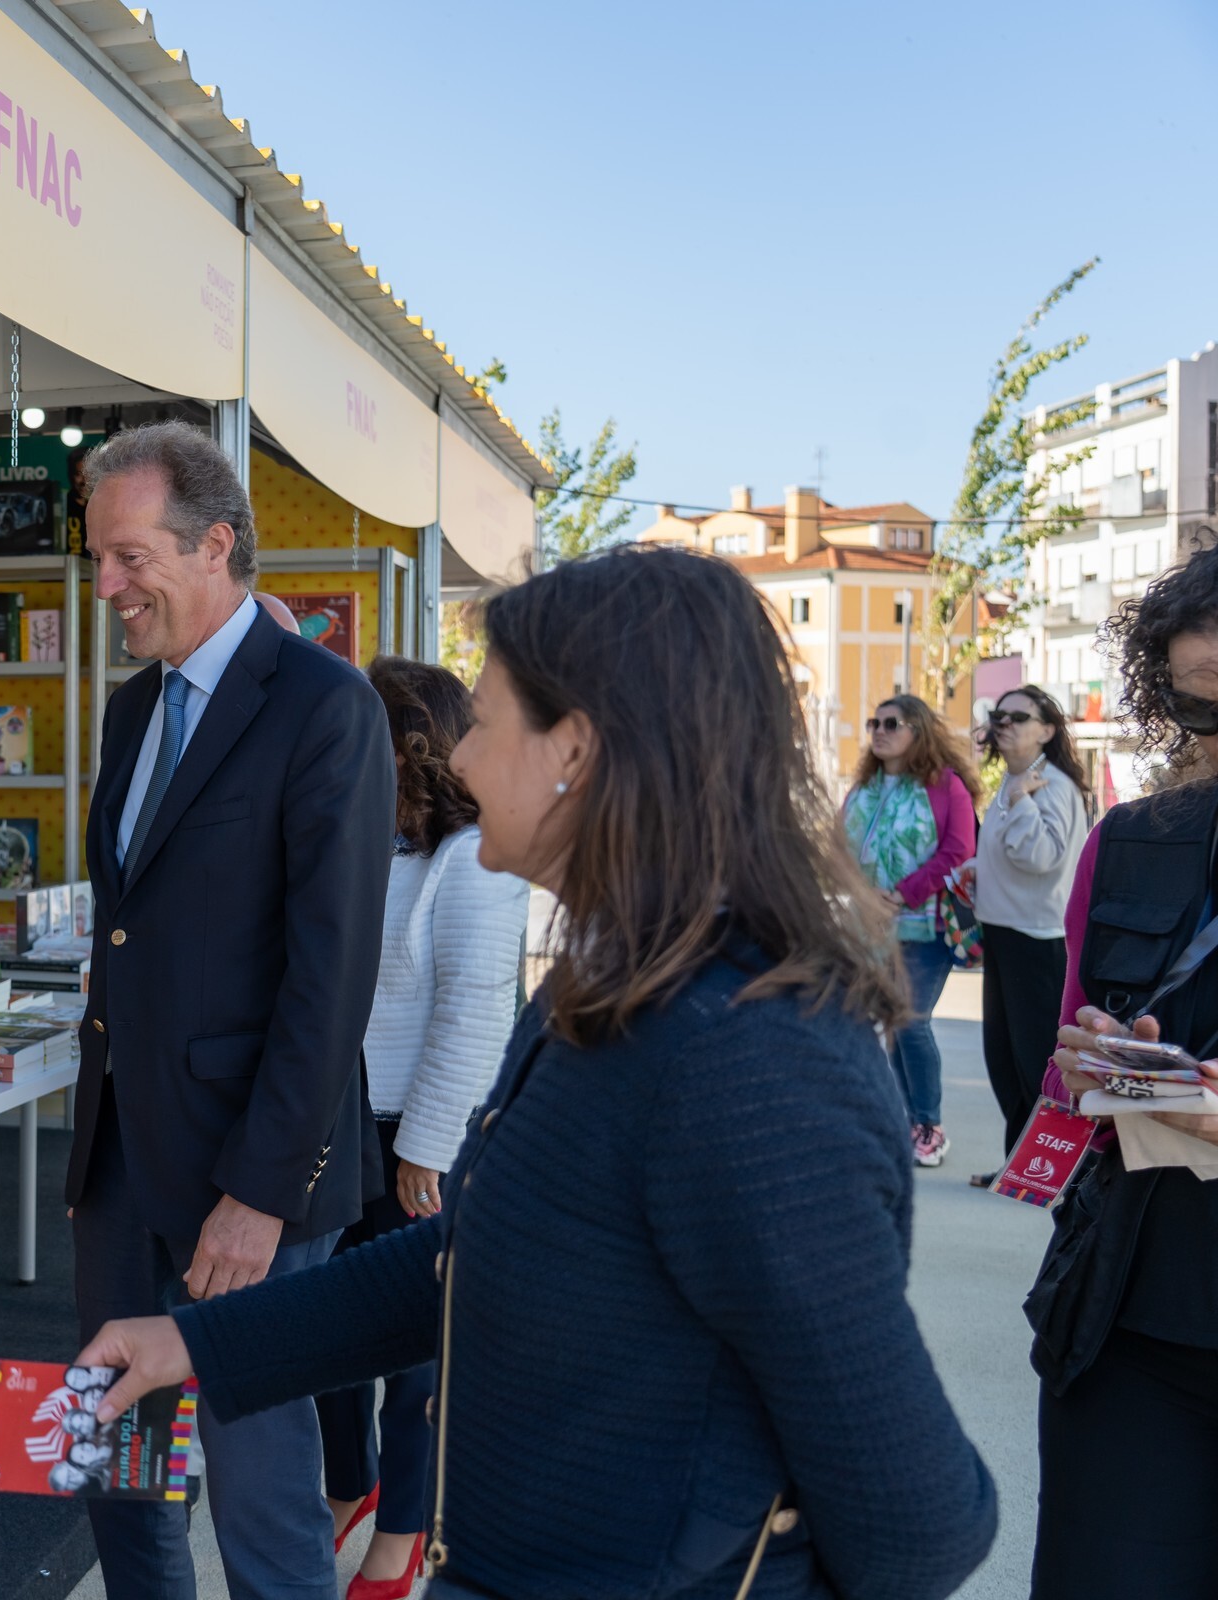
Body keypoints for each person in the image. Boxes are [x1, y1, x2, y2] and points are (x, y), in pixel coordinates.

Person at [72, 545, 996, 1600]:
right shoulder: (608, 989)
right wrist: (192, 1342)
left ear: (578, 749)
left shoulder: (755, 1061)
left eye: (485, 721)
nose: (457, 759)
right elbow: (465, 1261)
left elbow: (917, 1514)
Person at [67, 419, 394, 1600]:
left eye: (128, 556)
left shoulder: (324, 705)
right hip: (118, 1161)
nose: (106, 585)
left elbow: (331, 974)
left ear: (215, 545)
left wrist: (260, 1196)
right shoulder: (130, 709)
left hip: (246, 1176)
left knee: (260, 1489)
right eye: (98, 559)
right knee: (121, 1468)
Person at [315, 657, 527, 1600]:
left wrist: (427, 1148)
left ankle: (400, 1532)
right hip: (339, 1129)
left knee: (411, 1359)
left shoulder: (472, 860)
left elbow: (475, 1012)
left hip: (415, 1144)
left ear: (404, 740)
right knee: (327, 1338)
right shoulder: (363, 841)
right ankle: (346, 1485)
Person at [1033, 545, 1218, 1598]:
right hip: (1135, 1320)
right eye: (1200, 712)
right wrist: (1091, 1062)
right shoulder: (1131, 840)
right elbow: (1067, 1080)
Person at [843, 693, 979, 1167]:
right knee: (889, 1028)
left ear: (918, 731)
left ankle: (929, 1126)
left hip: (926, 927)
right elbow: (838, 850)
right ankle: (906, 1122)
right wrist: (861, 897)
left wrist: (900, 894)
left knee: (912, 1022)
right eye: (873, 722)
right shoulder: (864, 786)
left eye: (891, 723)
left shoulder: (944, 787)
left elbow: (958, 851)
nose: (879, 731)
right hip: (867, 928)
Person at [967, 683, 1088, 1183]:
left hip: (1035, 940)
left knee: (1036, 1060)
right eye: (1000, 714)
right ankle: (1019, 1164)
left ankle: (1047, 1171)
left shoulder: (1049, 785)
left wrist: (1019, 802)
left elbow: (1041, 859)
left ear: (1047, 730)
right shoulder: (1016, 780)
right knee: (1005, 1059)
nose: (1006, 722)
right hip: (1003, 933)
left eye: (1020, 716)